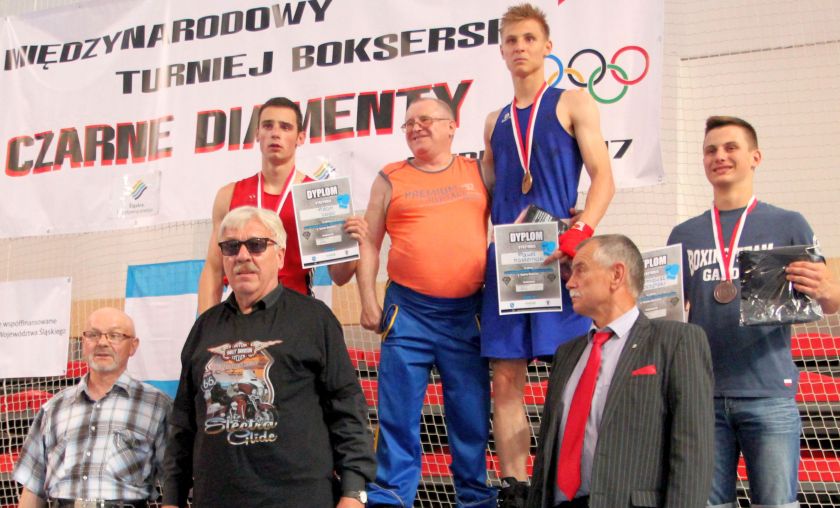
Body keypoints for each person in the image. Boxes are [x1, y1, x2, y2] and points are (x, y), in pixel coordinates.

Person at [480, 5, 615, 504]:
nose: (520, 47)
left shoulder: (573, 102)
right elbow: (487, 196)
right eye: (512, 40)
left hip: (561, 258)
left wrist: (579, 232)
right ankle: (515, 488)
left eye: (529, 38)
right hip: (508, 264)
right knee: (505, 379)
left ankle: (569, 484)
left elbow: (604, 178)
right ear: (501, 51)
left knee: (570, 375)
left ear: (547, 46)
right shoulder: (493, 121)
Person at [668, 116, 840, 508]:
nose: (719, 156)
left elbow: (828, 303)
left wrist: (827, 288)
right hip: (703, 394)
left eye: (731, 148)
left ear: (755, 157)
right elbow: (669, 313)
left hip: (768, 392)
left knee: (776, 504)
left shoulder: (788, 224)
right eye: (711, 150)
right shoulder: (684, 234)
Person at [162, 206, 375, 508]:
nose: (243, 256)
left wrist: (354, 493)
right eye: (231, 246)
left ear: (280, 255)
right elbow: (183, 424)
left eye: (257, 244)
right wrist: (171, 499)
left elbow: (347, 408)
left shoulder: (314, 319)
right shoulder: (204, 328)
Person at [356, 97, 495, 507]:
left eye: (426, 119)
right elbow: (369, 243)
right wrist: (367, 300)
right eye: (409, 123)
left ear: (452, 126)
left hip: (466, 314)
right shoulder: (389, 178)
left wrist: (564, 217)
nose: (416, 127)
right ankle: (390, 499)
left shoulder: (478, 171)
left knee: (470, 416)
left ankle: (476, 500)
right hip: (407, 313)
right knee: (397, 416)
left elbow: (521, 209)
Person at [528, 235, 714, 508]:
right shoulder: (567, 353)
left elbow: (693, 449)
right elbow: (546, 452)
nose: (569, 282)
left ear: (616, 275)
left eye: (580, 269)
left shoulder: (676, 341)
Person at [197, 97, 366, 313]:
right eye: (268, 126)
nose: (275, 133)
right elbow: (214, 269)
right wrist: (205, 325)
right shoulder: (228, 195)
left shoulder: (319, 197)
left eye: (285, 127)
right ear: (257, 134)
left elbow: (340, 277)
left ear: (300, 137)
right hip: (242, 312)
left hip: (295, 311)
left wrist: (351, 245)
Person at [14, 307, 171, 508]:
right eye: (93, 335)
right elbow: (32, 488)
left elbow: (174, 483)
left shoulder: (156, 406)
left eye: (114, 335)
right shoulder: (54, 409)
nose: (102, 342)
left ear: (133, 346)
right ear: (83, 342)